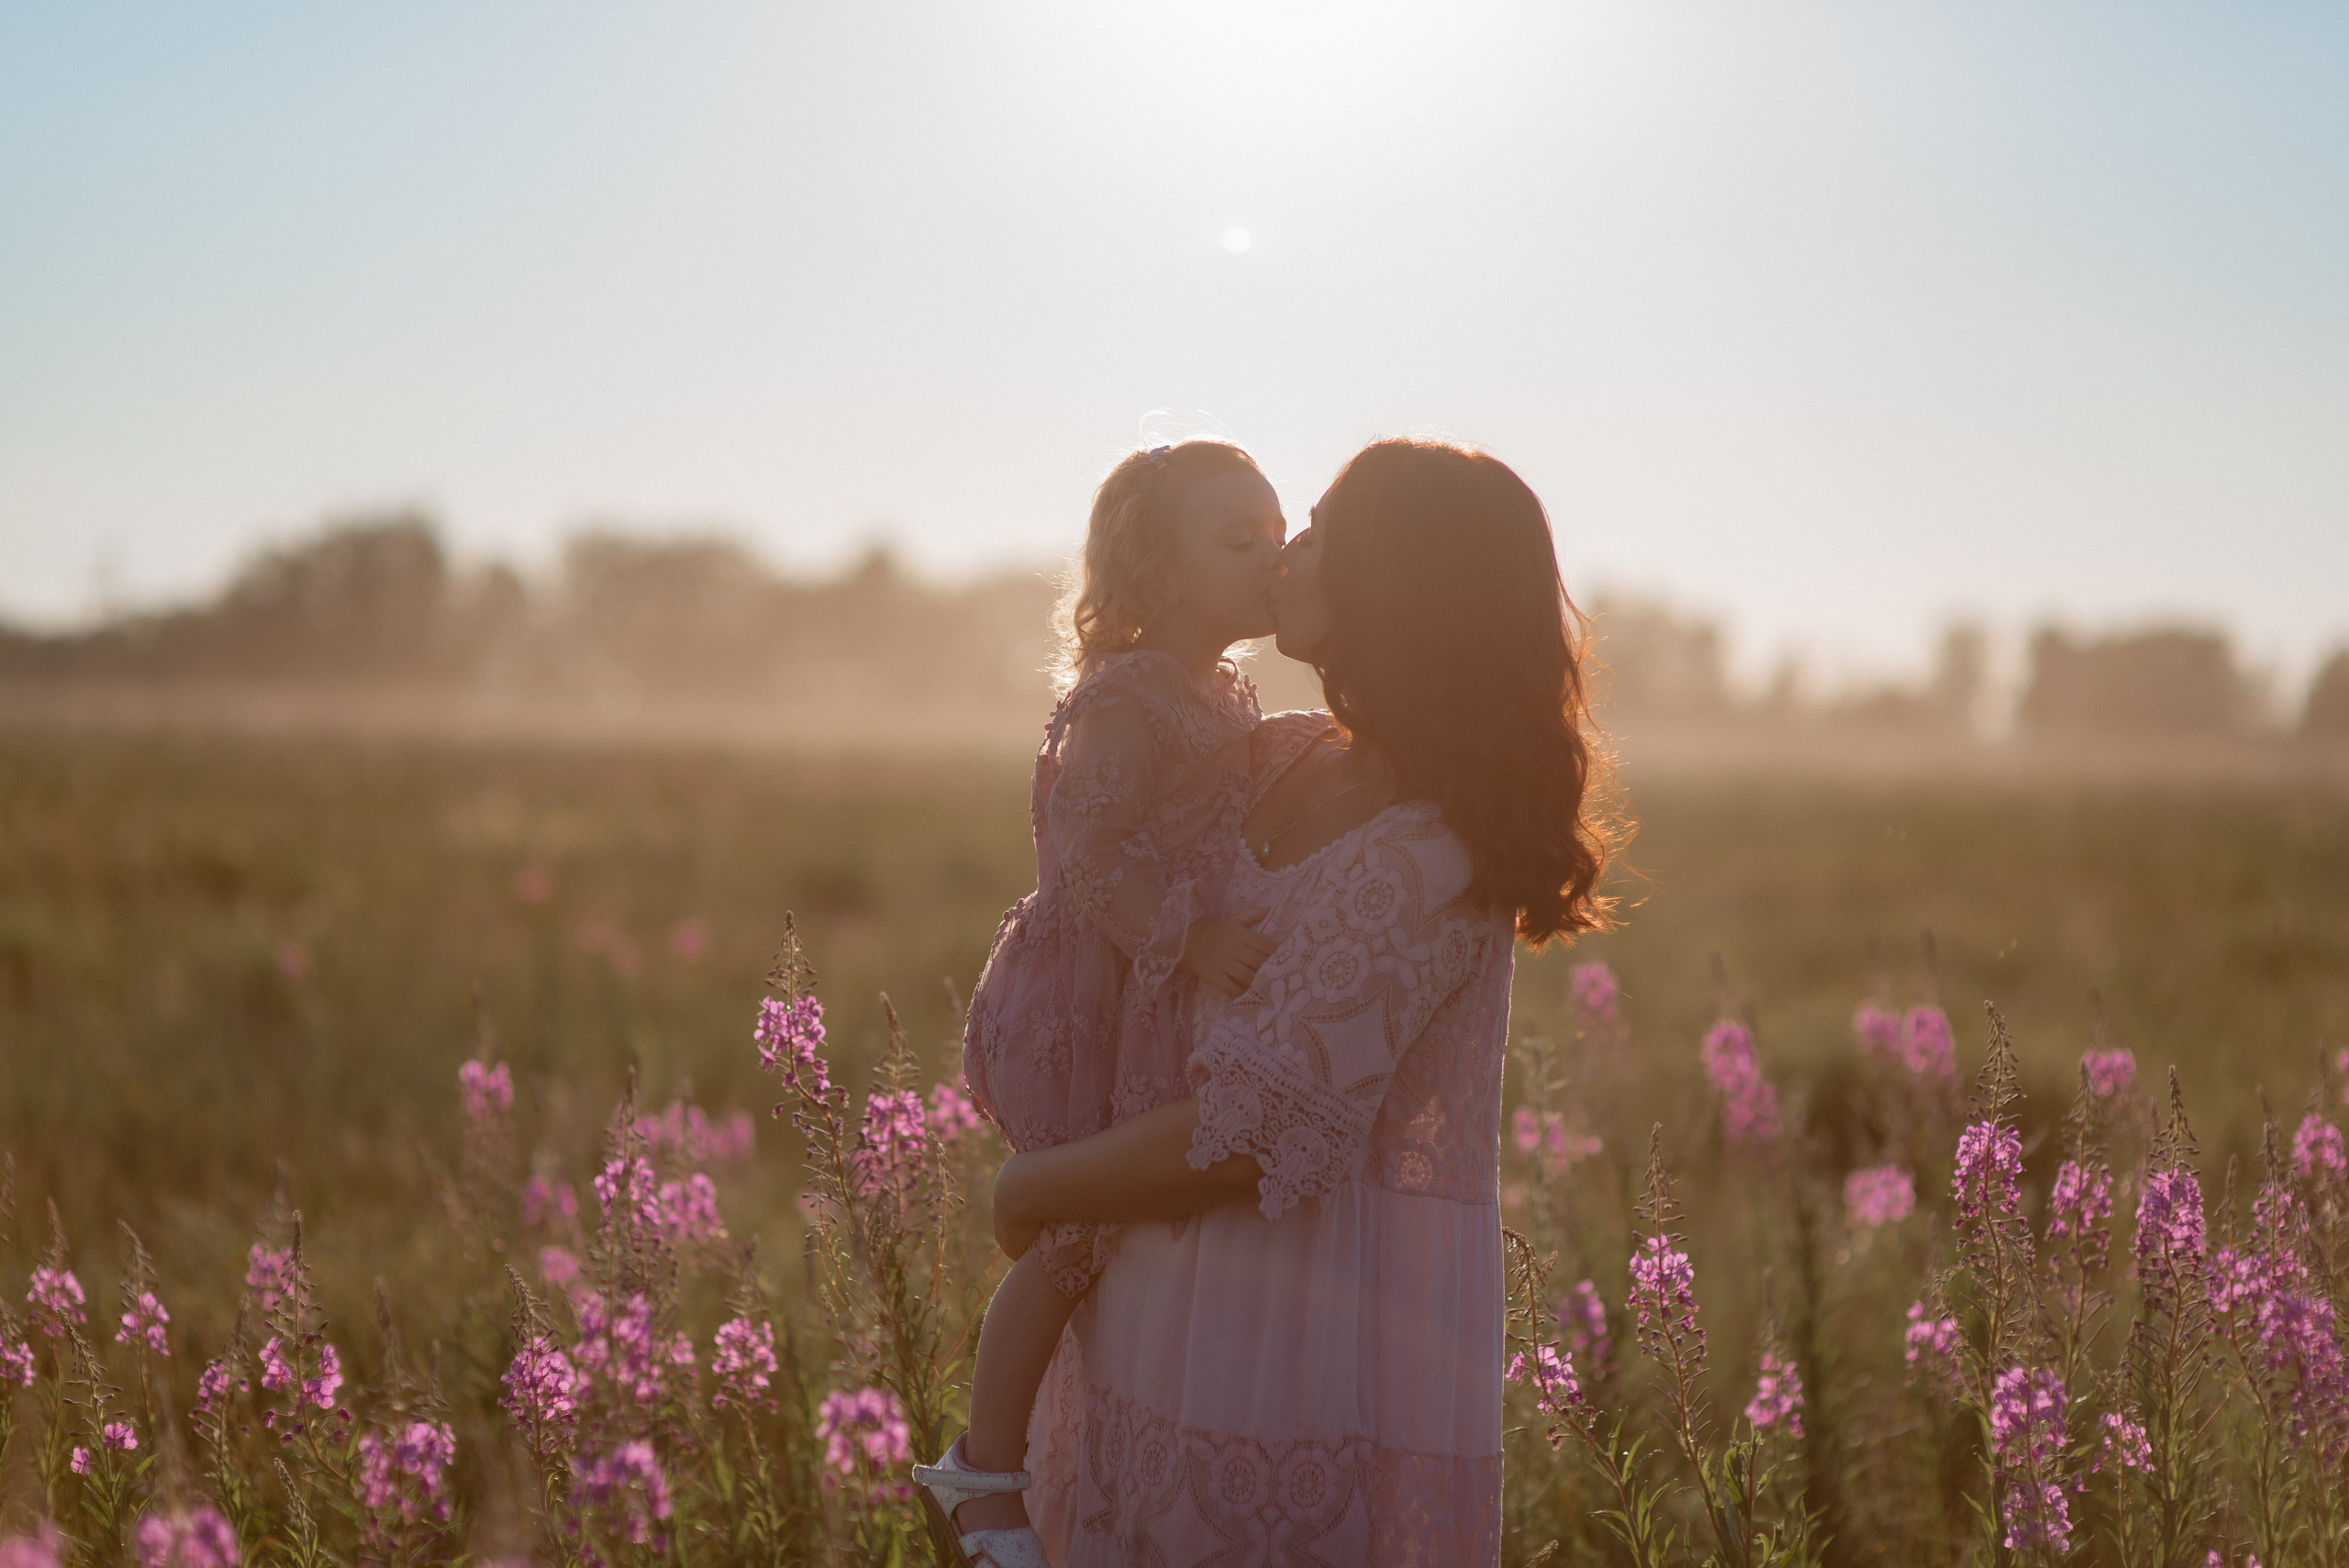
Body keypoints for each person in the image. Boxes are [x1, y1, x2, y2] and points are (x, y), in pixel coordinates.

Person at [986, 438, 1620, 1566]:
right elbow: (1099, 836)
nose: (1288, 553)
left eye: (1318, 528)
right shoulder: (1276, 759)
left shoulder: (1431, 852)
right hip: (1143, 1332)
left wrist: (1031, 1182)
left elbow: (1257, 1132)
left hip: (1282, 1370)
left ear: (1397, 582)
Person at [915, 439, 1289, 1568]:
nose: (1272, 558)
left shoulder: (1218, 688)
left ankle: (1099, 1460)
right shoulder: (1127, 697)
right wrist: (1193, 936)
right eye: (1239, 541)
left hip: (1138, 995)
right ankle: (978, 1469)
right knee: (1077, 1231)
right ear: (1157, 568)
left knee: (1122, 1224)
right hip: (1075, 997)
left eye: (1278, 534)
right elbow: (1084, 855)